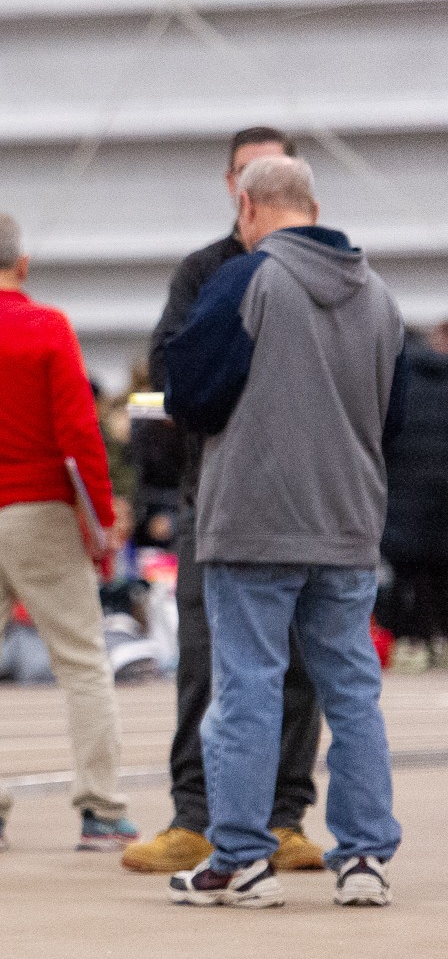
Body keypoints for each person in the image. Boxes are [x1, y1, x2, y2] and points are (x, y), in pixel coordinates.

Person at [164, 155, 405, 908]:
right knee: (352, 690)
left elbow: (191, 395)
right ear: (315, 205)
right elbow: (390, 419)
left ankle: (240, 857)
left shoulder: (245, 279)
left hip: (256, 523)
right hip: (347, 520)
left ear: (247, 207)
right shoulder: (381, 297)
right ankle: (365, 857)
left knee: (248, 688)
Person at [124, 127, 326, 875]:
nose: (257, 188)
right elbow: (164, 382)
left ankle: (283, 818)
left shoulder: (333, 273)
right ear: (233, 188)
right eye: (248, 173)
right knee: (206, 662)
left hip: (306, 505)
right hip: (212, 501)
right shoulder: (203, 273)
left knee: (302, 662)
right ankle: (195, 817)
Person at [0, 211, 136, 853]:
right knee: (82, 663)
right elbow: (80, 434)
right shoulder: (48, 329)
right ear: (23, 265)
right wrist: (100, 524)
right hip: (41, 516)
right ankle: (101, 810)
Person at [380, 319, 448, 673]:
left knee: (410, 577)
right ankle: (441, 642)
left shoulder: (397, 382)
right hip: (443, 504)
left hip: (404, 503)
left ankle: (412, 644)